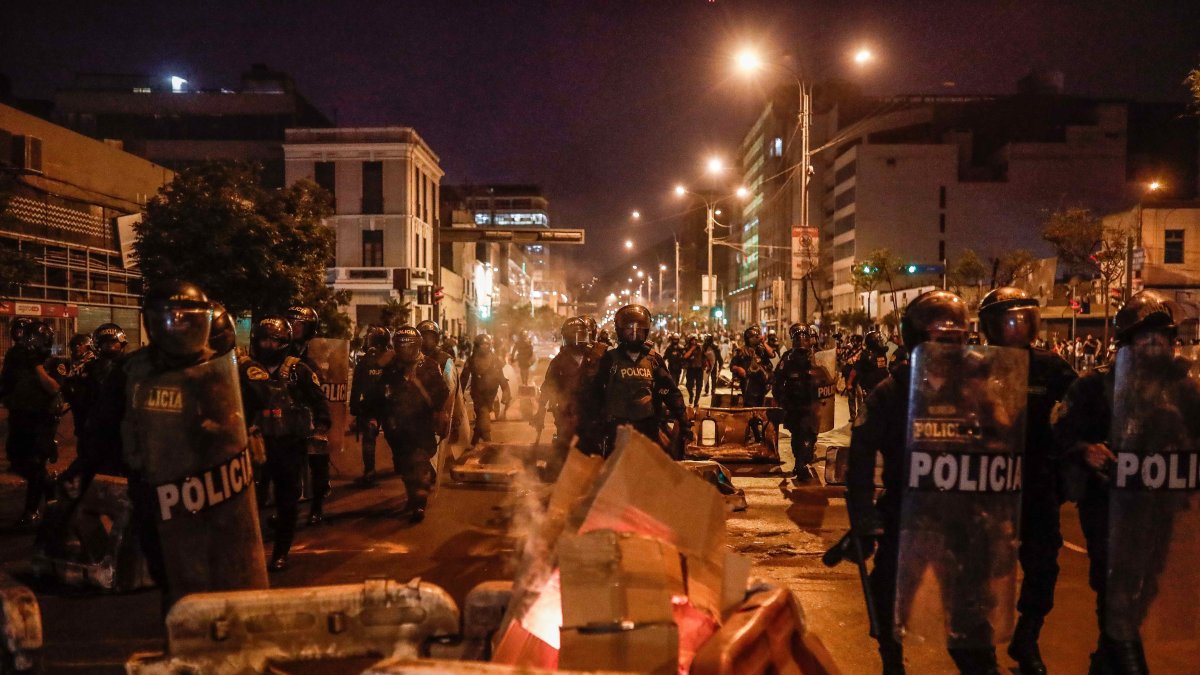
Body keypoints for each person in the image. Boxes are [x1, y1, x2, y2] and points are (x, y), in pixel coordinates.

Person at [848, 289, 1007, 674]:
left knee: (970, 617)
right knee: (891, 602)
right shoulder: (892, 392)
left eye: (958, 339)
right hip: (907, 516)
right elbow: (861, 455)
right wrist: (863, 517)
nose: (952, 348)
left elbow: (1003, 447)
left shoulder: (977, 390)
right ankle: (892, 663)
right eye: (942, 339)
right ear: (918, 339)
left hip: (963, 520)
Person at [86, 281, 268, 611]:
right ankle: (183, 622)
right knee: (172, 570)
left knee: (225, 562)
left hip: (215, 480)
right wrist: (85, 471)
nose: (178, 328)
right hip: (155, 485)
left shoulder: (222, 367)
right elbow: (103, 426)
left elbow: (248, 409)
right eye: (170, 320)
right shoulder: (132, 370)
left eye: (187, 320)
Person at [1053, 291, 1196, 674]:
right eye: (1146, 337)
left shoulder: (1183, 387)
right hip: (1107, 501)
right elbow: (1062, 433)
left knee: (1148, 583)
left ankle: (1105, 660)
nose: (1156, 344)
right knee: (1114, 583)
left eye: (1162, 336)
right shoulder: (1095, 385)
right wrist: (1086, 450)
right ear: (1128, 342)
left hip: (1161, 503)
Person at [978, 288, 1077, 675]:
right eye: (1011, 319)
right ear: (991, 326)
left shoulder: (1051, 367)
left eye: (1026, 319)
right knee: (983, 569)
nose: (1020, 327)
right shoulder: (974, 366)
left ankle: (1028, 638)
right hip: (987, 484)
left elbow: (1083, 410)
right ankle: (982, 644)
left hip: (1036, 483)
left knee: (1043, 566)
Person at [239, 316, 330, 571]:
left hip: (289, 444)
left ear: (285, 342)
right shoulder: (245, 370)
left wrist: (322, 425)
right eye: (264, 340)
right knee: (250, 499)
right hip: (255, 444)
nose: (268, 345)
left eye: (274, 340)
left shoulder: (298, 370)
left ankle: (280, 551)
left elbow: (319, 401)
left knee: (287, 498)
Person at [581, 304, 690, 457]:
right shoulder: (609, 359)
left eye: (639, 329)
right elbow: (595, 392)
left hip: (647, 429)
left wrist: (684, 423)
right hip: (617, 429)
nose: (634, 333)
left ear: (646, 331)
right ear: (620, 330)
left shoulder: (653, 359)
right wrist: (593, 424)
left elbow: (671, 393)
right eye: (629, 329)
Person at [369, 326, 449, 523]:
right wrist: (373, 417)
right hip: (396, 427)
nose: (405, 351)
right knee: (404, 465)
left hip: (421, 424)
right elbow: (378, 394)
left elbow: (442, 392)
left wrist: (441, 415)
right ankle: (412, 496)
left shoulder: (429, 365)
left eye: (409, 346)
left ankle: (419, 502)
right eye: (401, 346)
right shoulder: (390, 367)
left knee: (420, 462)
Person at [1, 320, 67, 525]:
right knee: (16, 459)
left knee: (35, 462)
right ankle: (50, 487)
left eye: (34, 338)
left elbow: (53, 387)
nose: (29, 342)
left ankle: (31, 511)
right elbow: (7, 383)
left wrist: (36, 365)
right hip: (19, 415)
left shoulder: (54, 361)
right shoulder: (17, 357)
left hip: (42, 418)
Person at [61, 323, 129, 484]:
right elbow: (78, 399)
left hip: (123, 431)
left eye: (113, 342)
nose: (110, 347)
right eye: (106, 343)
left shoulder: (132, 367)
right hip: (95, 431)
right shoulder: (89, 368)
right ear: (98, 345)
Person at [285, 305, 330, 526]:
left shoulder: (311, 359)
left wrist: (322, 423)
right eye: (290, 323)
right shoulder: (276, 353)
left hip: (308, 418)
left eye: (298, 324)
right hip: (282, 420)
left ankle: (317, 506)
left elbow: (319, 395)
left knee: (318, 462)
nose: (293, 328)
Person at [772, 324, 834, 482]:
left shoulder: (816, 356)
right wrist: (779, 397)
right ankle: (800, 462)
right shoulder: (788, 357)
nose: (801, 340)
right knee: (800, 434)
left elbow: (826, 376)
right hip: (794, 403)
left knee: (807, 434)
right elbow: (778, 379)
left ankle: (801, 462)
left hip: (811, 404)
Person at [535, 317, 596, 468]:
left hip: (590, 412)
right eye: (573, 336)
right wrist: (540, 411)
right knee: (564, 446)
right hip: (565, 412)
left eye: (581, 335)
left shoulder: (595, 358)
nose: (577, 340)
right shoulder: (558, 362)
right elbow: (548, 387)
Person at [350, 326, 391, 485]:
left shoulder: (365, 361)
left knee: (369, 438)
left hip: (371, 406)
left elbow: (356, 386)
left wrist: (354, 406)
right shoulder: (392, 358)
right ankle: (402, 466)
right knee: (396, 437)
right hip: (389, 405)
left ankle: (370, 472)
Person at [460, 333, 510, 444]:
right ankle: (487, 440)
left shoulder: (495, 359)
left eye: (486, 344)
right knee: (483, 413)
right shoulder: (472, 360)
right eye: (482, 345)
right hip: (477, 393)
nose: (484, 347)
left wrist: (506, 391)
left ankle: (475, 439)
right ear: (477, 346)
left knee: (481, 416)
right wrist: (459, 394)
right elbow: (464, 378)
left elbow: (501, 377)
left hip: (491, 393)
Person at [847, 331, 890, 421]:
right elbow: (855, 369)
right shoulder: (865, 355)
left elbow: (884, 368)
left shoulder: (882, 353)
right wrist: (849, 383)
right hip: (870, 387)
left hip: (882, 385)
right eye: (879, 341)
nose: (881, 342)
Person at [730, 325, 774, 406]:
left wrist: (764, 343)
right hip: (748, 384)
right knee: (749, 405)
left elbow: (772, 354)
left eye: (758, 336)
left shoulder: (761, 350)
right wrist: (739, 369)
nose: (758, 338)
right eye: (755, 337)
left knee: (760, 405)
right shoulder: (741, 351)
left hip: (761, 384)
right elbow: (732, 366)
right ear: (749, 338)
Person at [682, 334, 705, 406]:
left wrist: (706, 365)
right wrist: (692, 349)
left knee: (699, 386)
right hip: (691, 369)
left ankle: (696, 401)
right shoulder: (687, 347)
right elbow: (685, 356)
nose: (694, 342)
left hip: (699, 369)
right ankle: (691, 395)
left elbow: (705, 356)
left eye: (695, 340)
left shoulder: (700, 347)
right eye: (692, 340)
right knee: (688, 385)